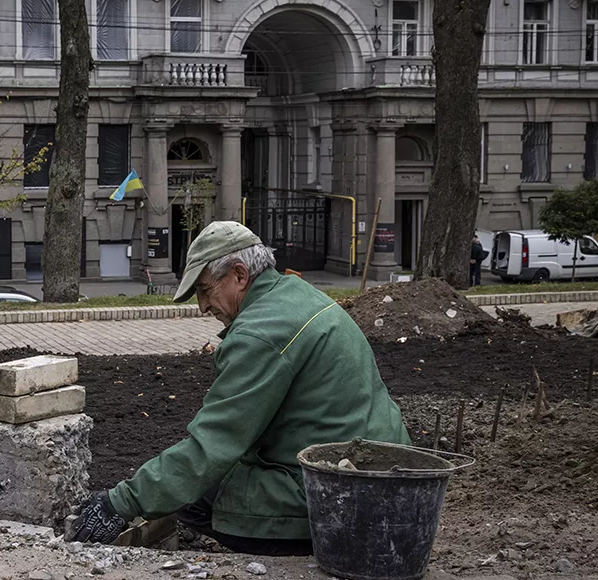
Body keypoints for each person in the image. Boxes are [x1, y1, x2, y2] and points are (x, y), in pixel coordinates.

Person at [68, 221, 411, 555]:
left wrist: (120, 503)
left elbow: (214, 444)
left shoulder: (260, 334)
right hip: (389, 479)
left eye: (204, 290)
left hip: (336, 496)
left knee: (197, 495)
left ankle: (303, 549)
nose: (202, 306)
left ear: (239, 275)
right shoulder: (296, 295)